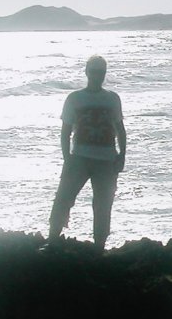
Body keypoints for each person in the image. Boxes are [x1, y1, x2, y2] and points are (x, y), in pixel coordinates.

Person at [48, 55, 126, 249]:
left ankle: (99, 246)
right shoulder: (75, 98)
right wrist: (67, 158)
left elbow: (120, 128)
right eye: (94, 71)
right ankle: (52, 240)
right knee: (63, 199)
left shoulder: (112, 98)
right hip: (79, 159)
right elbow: (65, 131)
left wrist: (122, 155)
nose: (97, 76)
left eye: (101, 72)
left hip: (107, 160)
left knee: (103, 205)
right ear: (86, 72)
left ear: (105, 74)